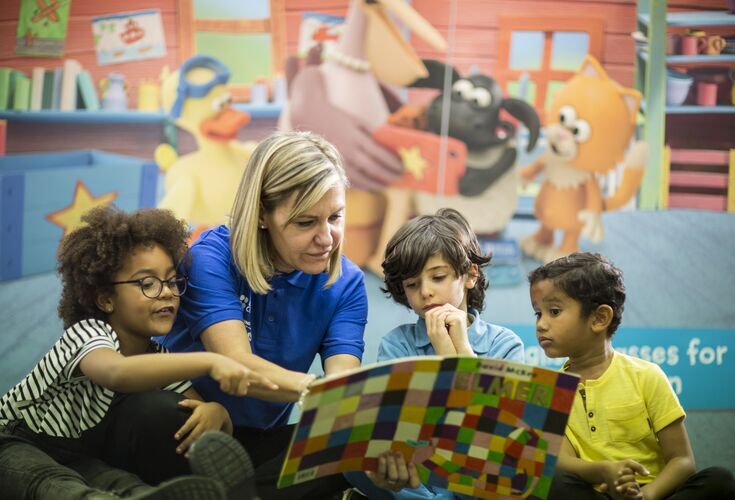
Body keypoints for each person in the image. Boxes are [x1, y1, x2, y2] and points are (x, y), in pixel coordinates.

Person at [0, 206, 271, 499]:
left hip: (81, 456)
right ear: (105, 299)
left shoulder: (158, 356)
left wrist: (217, 411)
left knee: (120, 483)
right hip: (16, 441)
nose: (167, 292)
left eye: (171, 281)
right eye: (148, 283)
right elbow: (117, 373)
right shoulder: (87, 334)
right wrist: (212, 360)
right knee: (48, 482)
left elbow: (198, 406)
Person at [162, 130, 373, 498]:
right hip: (190, 417)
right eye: (306, 223)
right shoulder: (211, 257)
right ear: (262, 215)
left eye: (335, 217)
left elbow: (341, 388)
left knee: (350, 445)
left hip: (259, 442)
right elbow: (237, 366)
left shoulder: (348, 284)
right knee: (155, 415)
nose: (327, 238)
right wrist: (322, 391)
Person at [528, 252, 735, 500]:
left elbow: (682, 460)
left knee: (721, 481)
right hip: (596, 493)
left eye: (553, 311)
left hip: (654, 494)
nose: (541, 324)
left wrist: (648, 495)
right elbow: (563, 463)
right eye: (537, 313)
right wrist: (605, 471)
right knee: (545, 477)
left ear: (599, 318)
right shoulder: (549, 390)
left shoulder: (646, 376)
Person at [346, 207, 525, 499]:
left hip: (476, 476)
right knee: (357, 456)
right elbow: (403, 433)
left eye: (437, 277)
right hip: (419, 479)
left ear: (469, 275)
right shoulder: (397, 344)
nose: (425, 292)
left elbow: (491, 435)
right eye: (412, 285)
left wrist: (453, 352)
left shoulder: (505, 345)